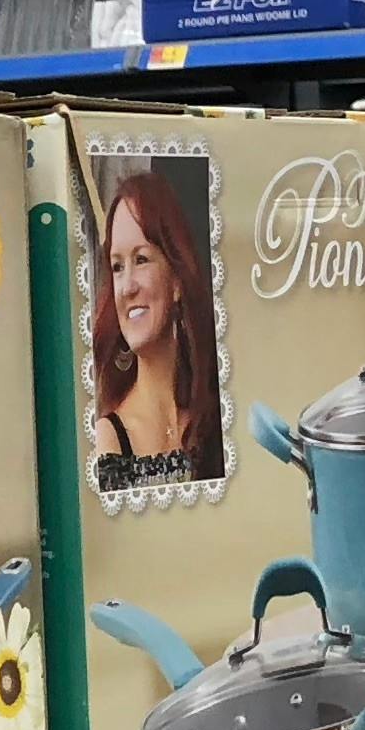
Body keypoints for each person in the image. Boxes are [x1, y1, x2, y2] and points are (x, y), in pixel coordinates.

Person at [91, 165, 224, 488]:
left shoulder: (216, 422)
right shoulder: (108, 440)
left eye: (141, 260)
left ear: (176, 280)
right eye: (117, 267)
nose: (126, 287)